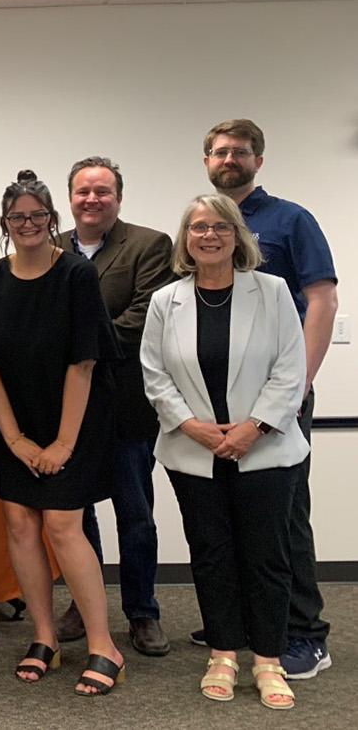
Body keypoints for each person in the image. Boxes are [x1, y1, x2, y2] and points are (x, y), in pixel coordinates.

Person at [140, 194, 307, 710]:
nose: (208, 235)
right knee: (211, 554)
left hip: (265, 448)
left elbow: (290, 368)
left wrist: (251, 429)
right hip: (194, 451)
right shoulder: (166, 301)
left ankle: (268, 660)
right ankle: (222, 653)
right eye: (197, 228)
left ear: (238, 235)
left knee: (266, 555)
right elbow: (154, 373)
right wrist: (195, 427)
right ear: (185, 239)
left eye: (219, 227)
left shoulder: (272, 291)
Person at [0, 170, 125, 696]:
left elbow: (84, 363)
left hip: (73, 418)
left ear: (53, 220)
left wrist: (61, 443)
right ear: (5, 224)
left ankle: (104, 645)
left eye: (38, 216)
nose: (29, 224)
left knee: (62, 523)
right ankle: (45, 637)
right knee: (18, 522)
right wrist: (12, 440)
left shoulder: (77, 275)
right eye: (19, 217)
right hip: (15, 420)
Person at [200, 118, 338, 680]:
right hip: (217, 404)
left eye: (239, 151)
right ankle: (243, 625)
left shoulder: (291, 220)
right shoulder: (204, 224)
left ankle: (304, 634)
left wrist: (296, 389)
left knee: (284, 517)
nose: (228, 158)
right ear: (205, 160)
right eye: (218, 151)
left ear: (258, 159)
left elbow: (322, 302)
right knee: (232, 515)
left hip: (280, 397)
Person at [52, 158, 175, 657]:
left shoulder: (149, 245)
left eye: (102, 191)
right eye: (83, 191)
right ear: (70, 197)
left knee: (135, 514)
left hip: (125, 402)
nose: (92, 199)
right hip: (66, 409)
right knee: (75, 516)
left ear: (118, 197)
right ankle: (84, 605)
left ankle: (143, 611)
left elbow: (146, 314)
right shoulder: (50, 246)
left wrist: (79, 347)